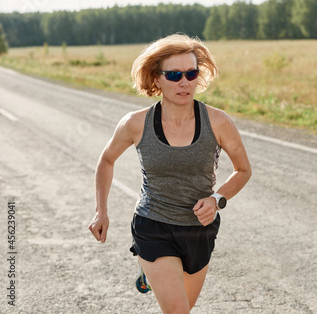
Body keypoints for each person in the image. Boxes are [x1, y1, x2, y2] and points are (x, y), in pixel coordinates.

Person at [88, 34, 252, 313]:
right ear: (156, 79)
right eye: (174, 75)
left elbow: (243, 170)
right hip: (153, 226)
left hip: (199, 230)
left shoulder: (219, 122)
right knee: (177, 311)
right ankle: (153, 266)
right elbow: (106, 159)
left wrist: (217, 199)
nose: (184, 82)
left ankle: (151, 276)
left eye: (191, 73)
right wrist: (100, 210)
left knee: (184, 307)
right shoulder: (135, 123)